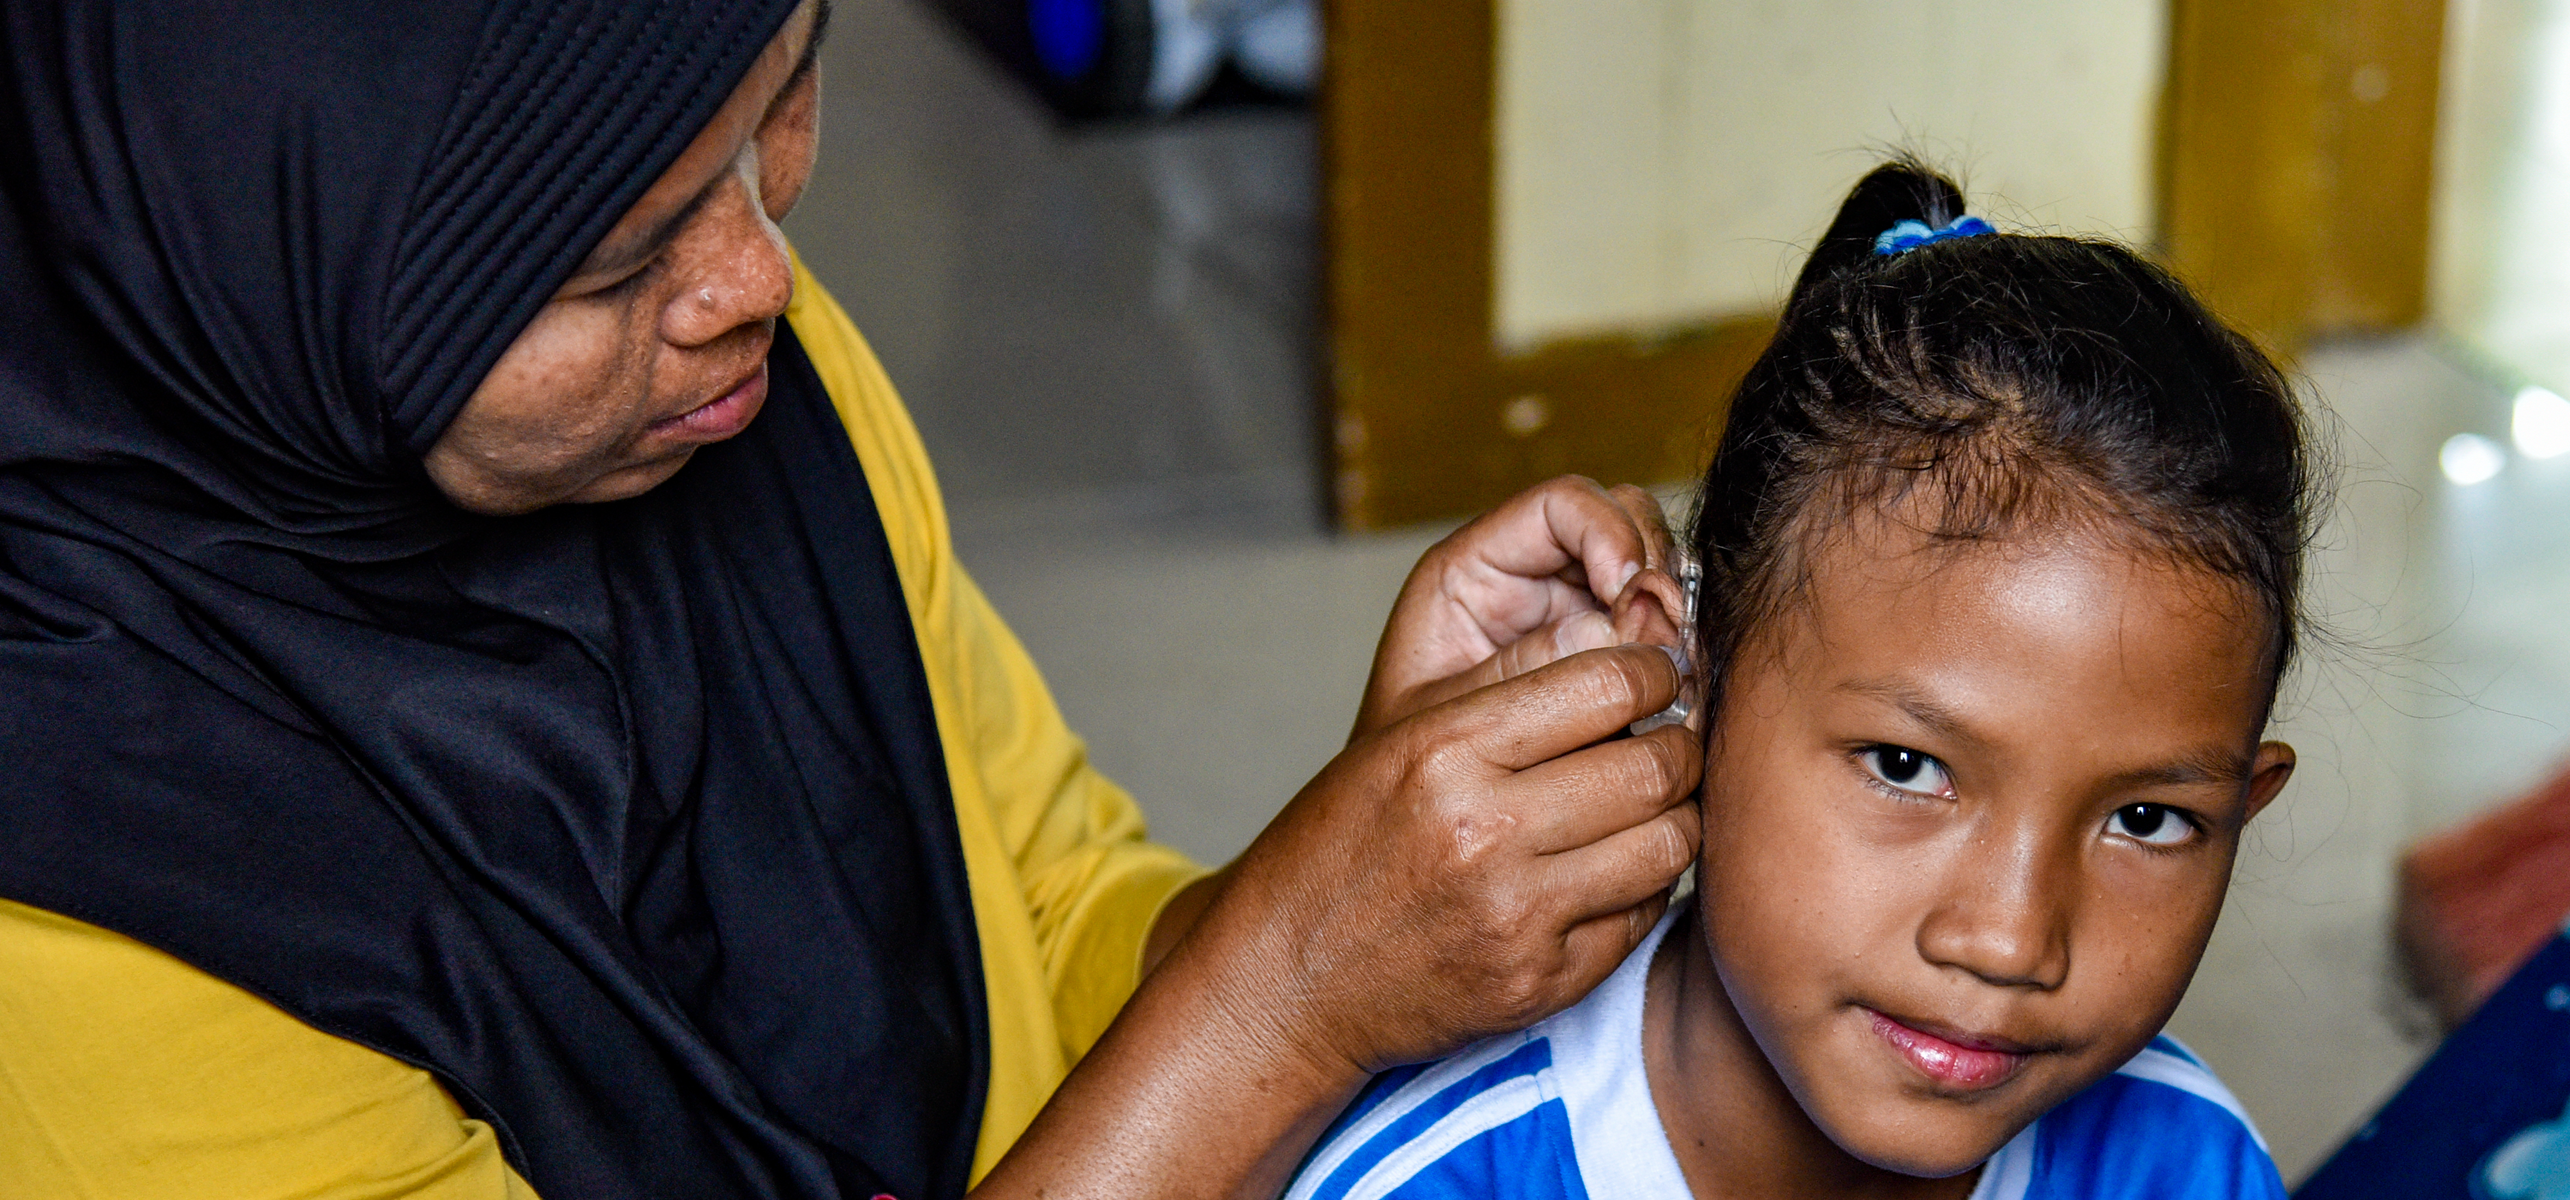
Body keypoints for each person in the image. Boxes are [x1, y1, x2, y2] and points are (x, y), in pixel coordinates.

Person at [0, 1, 1699, 1197]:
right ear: (262, 261)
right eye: (611, 262)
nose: (759, 276)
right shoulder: (70, 918)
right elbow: (1228, 1031)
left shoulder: (743, 397)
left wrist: (1364, 863)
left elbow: (1040, 913)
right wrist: (1283, 993)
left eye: (783, 98)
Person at [1282, 163, 2313, 1200]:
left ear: (2243, 803)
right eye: (1906, 766)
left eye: (2144, 819)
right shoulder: (1437, 1177)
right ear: (1685, 679)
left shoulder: (2192, 1166)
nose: (2008, 942)